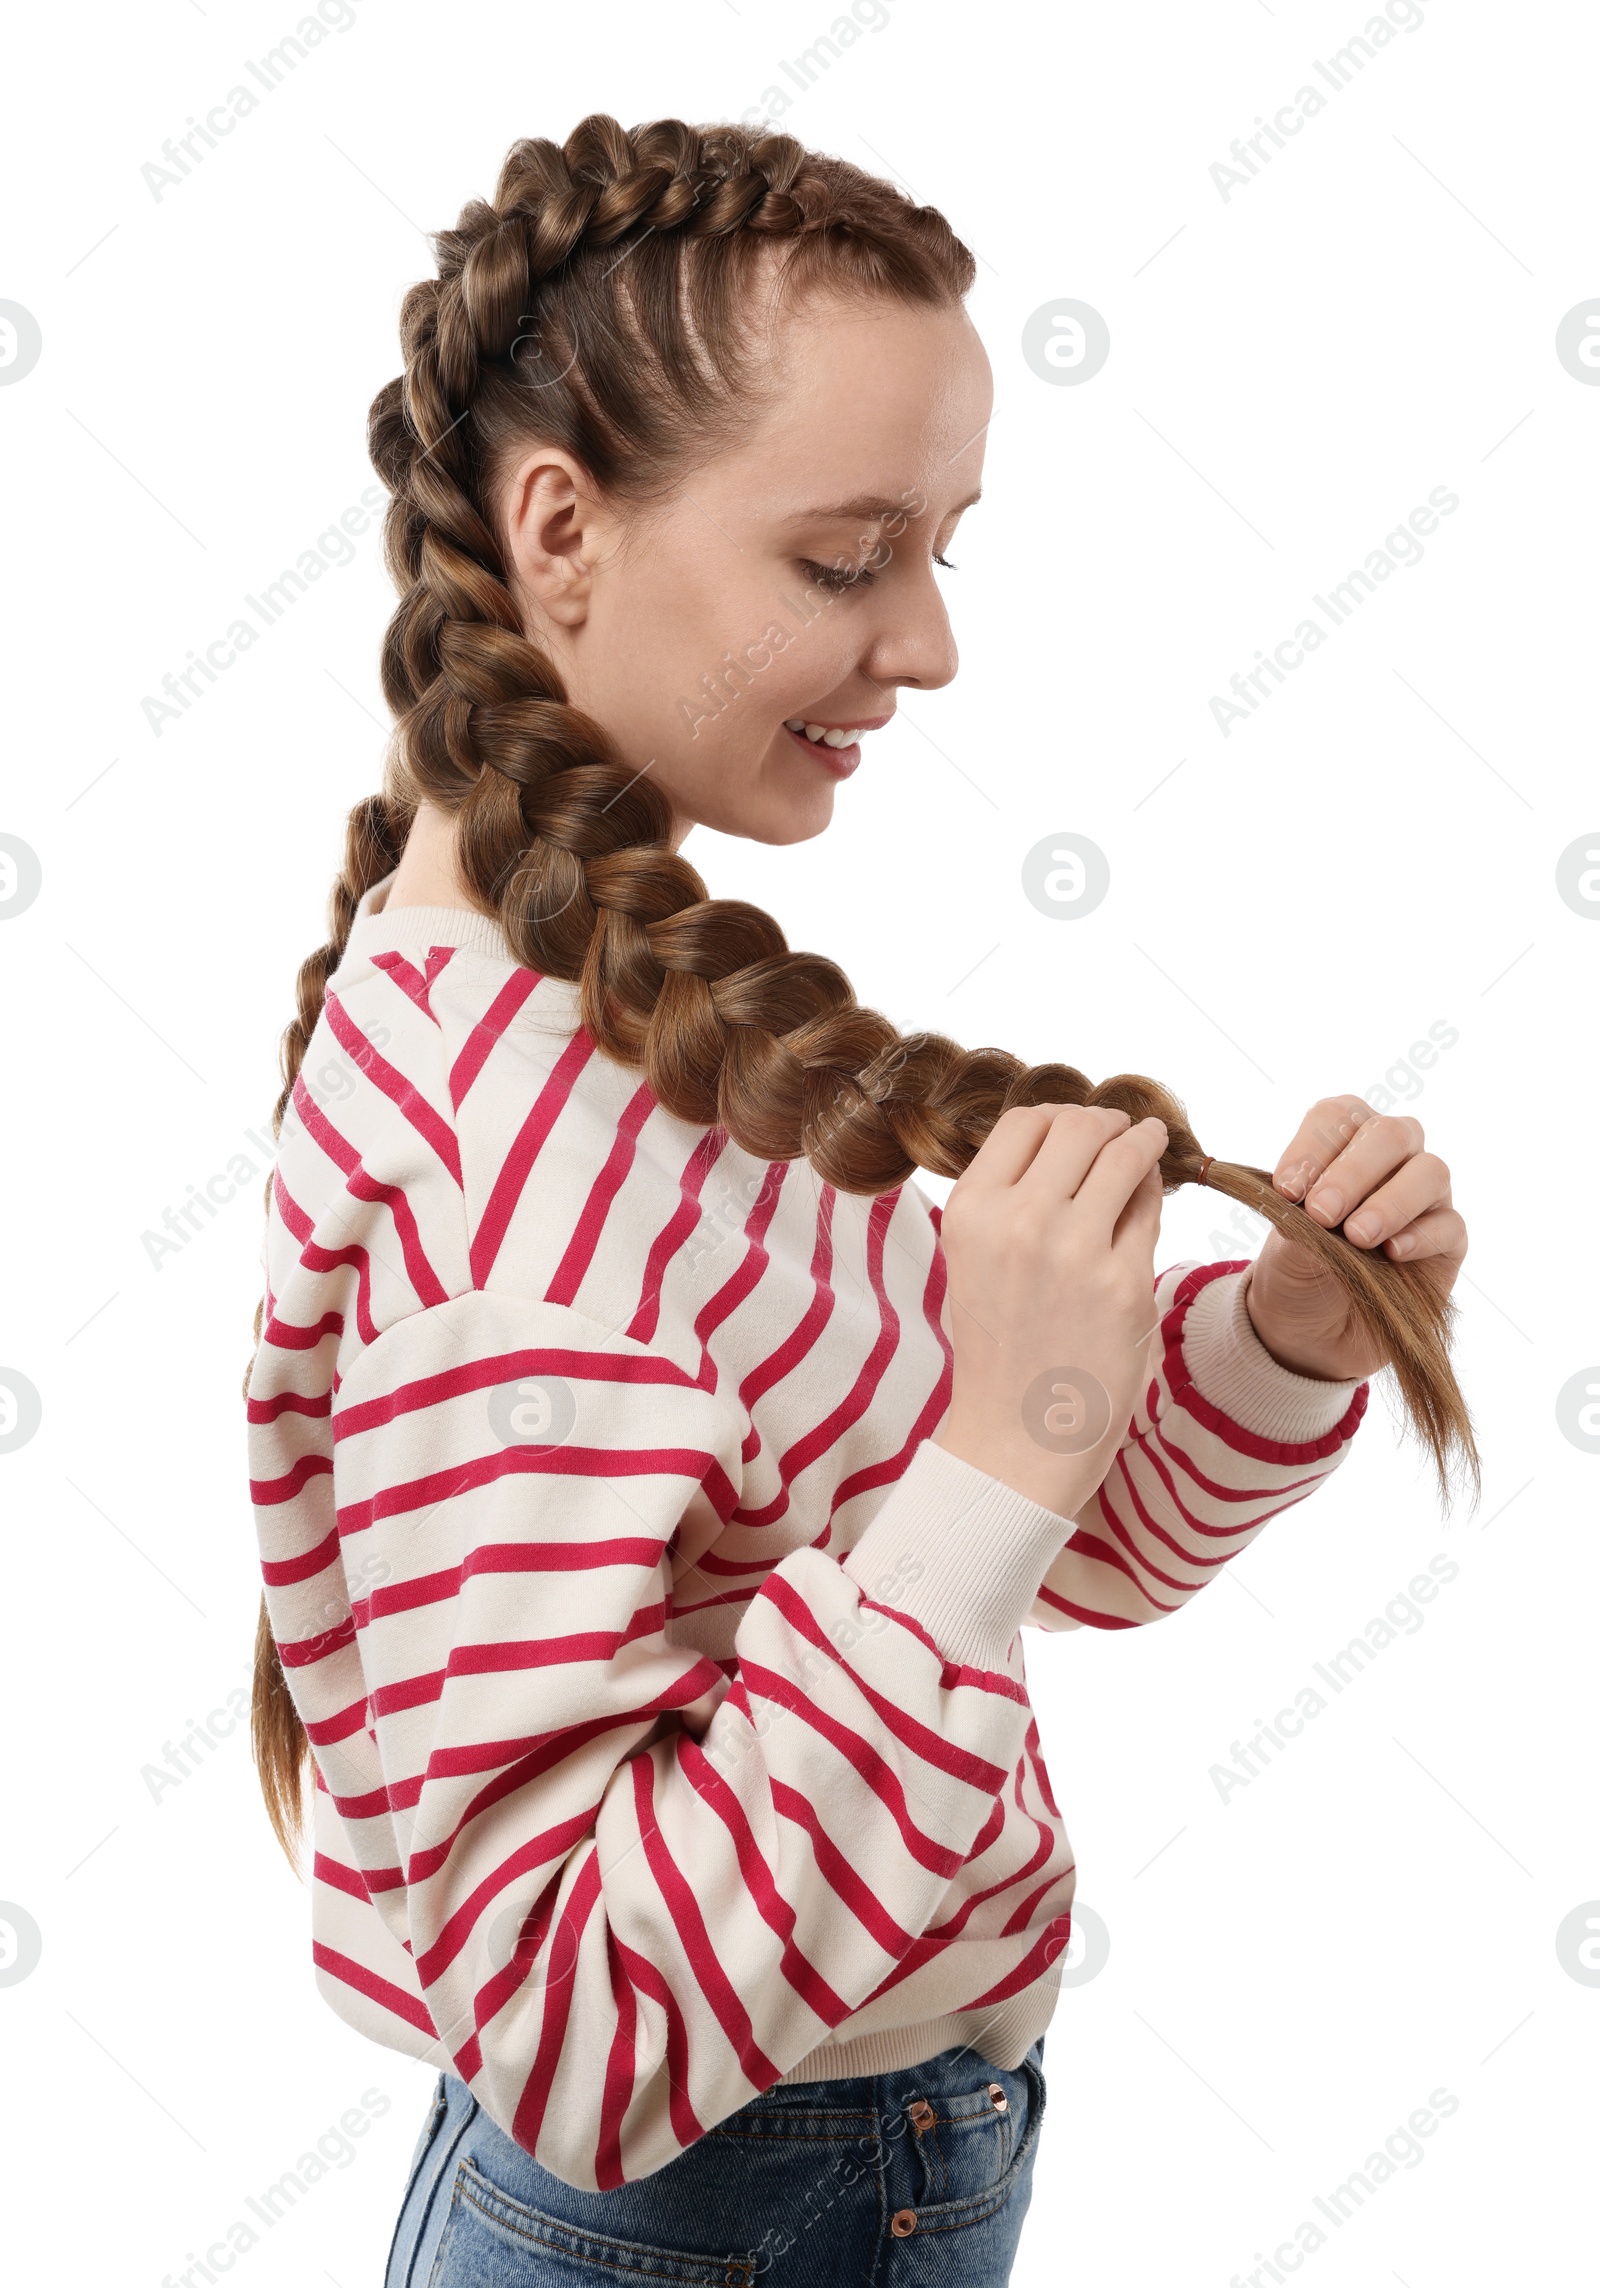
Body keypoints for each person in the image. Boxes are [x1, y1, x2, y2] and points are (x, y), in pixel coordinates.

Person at [244, 114, 1472, 2287]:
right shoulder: (503, 1205)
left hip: (853, 2167)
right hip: (709, 2217)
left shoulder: (638, 1038)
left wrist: (1266, 1336)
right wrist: (1001, 1443)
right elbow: (572, 2037)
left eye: (943, 549)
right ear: (560, 532)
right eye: (843, 559)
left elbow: (1017, 1543)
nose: (925, 646)